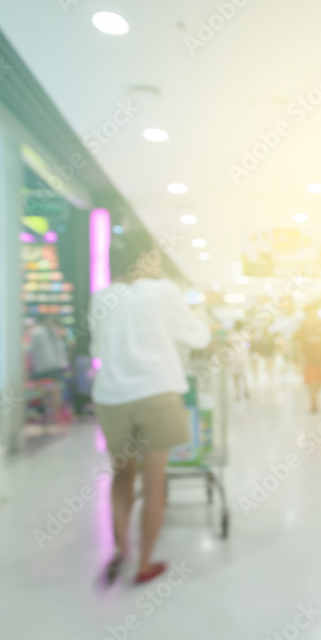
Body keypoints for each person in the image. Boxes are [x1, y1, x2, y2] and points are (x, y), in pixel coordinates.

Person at [90, 230, 210, 585]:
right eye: (154, 255)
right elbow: (197, 336)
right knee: (154, 482)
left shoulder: (101, 299)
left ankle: (119, 550)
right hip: (156, 393)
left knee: (122, 476)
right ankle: (144, 564)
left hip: (112, 398)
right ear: (144, 258)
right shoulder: (163, 292)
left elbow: (98, 351)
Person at [294, 306, 321, 413]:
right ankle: (313, 401)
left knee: (320, 380)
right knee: (310, 380)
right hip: (308, 357)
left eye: (314, 313)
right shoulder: (303, 326)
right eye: (310, 313)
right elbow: (299, 343)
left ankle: (314, 396)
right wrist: (299, 357)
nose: (312, 315)